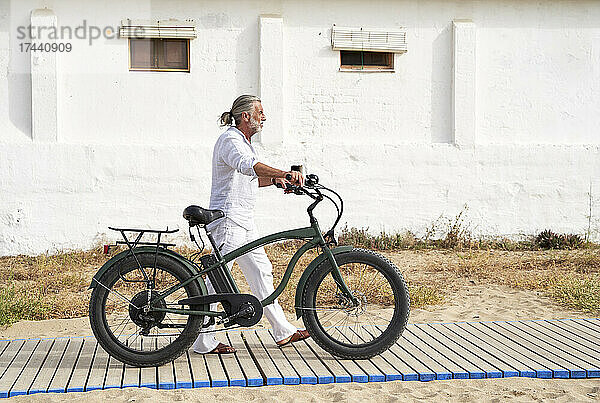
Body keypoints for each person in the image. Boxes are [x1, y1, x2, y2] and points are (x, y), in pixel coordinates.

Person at [193, 95, 310, 354]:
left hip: (244, 221)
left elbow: (249, 179)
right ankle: (203, 341)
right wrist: (283, 172)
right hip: (228, 220)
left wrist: (278, 182)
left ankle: (282, 331)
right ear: (245, 116)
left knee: (261, 271)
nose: (264, 117)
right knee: (217, 280)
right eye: (260, 112)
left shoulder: (244, 143)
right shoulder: (231, 140)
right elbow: (248, 167)